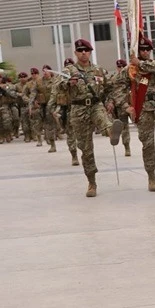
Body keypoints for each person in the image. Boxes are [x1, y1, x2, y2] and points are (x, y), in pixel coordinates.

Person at [112, 37, 155, 191]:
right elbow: (117, 87)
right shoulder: (129, 70)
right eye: (142, 50)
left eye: (147, 50)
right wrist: (126, 106)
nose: (145, 52)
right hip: (142, 107)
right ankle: (151, 177)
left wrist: (140, 63)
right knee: (148, 143)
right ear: (138, 51)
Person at [59, 39, 123, 197]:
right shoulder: (68, 70)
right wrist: (69, 84)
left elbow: (109, 88)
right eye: (80, 51)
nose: (83, 53)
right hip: (78, 109)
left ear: (90, 52)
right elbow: (58, 86)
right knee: (86, 149)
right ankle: (92, 182)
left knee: (103, 119)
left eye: (86, 50)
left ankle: (111, 132)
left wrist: (110, 101)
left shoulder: (98, 70)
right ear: (75, 53)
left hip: (95, 105)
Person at [110, 59, 132, 156]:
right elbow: (111, 92)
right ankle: (126, 147)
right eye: (119, 67)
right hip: (120, 106)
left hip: (130, 103)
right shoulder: (114, 79)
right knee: (124, 126)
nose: (120, 69)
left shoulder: (130, 76)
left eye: (122, 67)